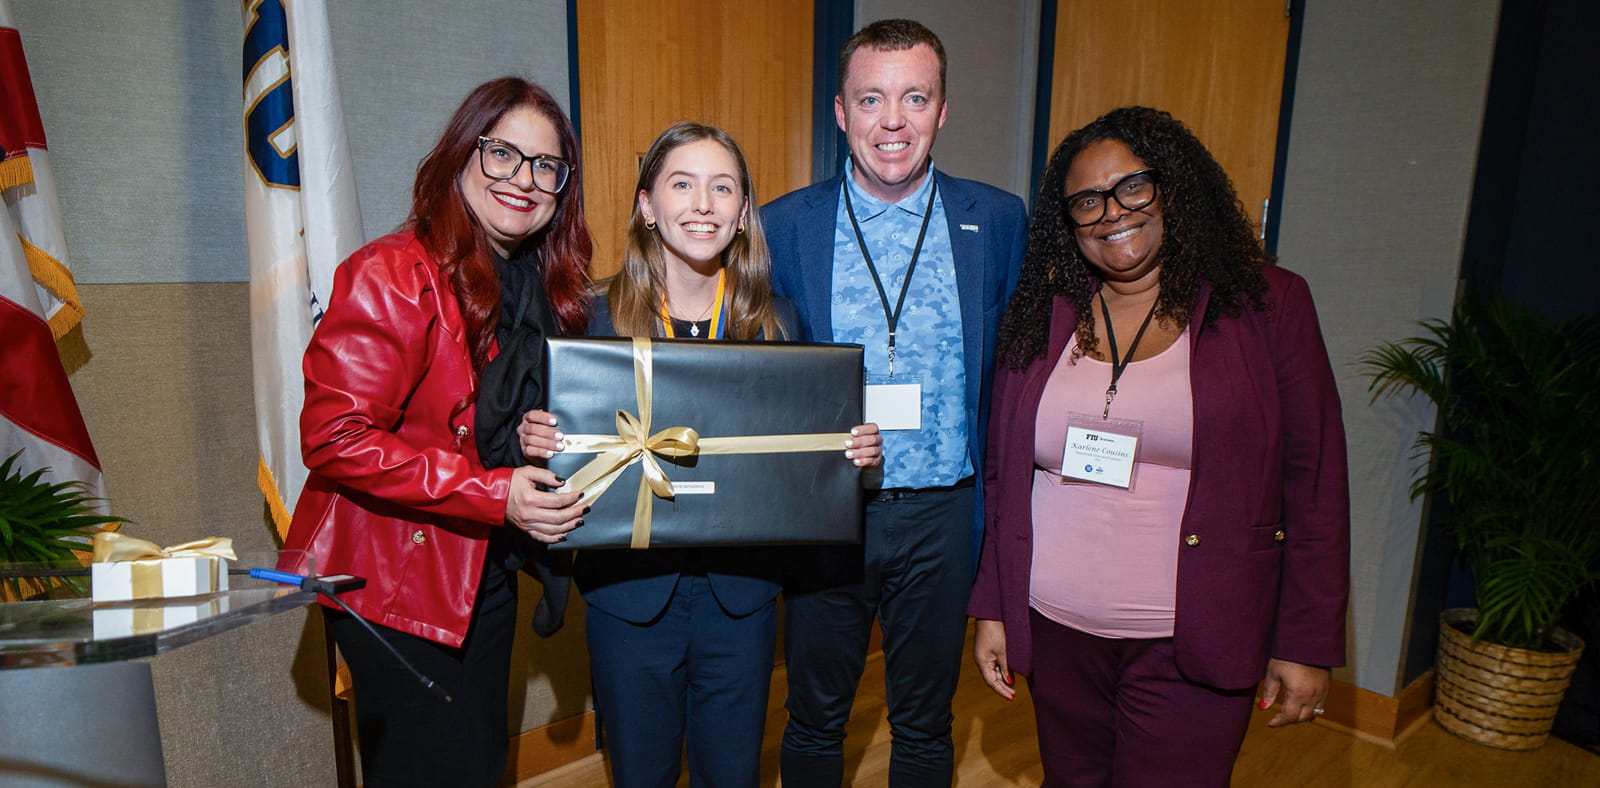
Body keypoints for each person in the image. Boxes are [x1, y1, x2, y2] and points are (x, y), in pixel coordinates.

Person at [968, 106, 1350, 787]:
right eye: (1087, 201)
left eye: (1132, 188)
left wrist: (1305, 641)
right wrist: (993, 604)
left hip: (1194, 639)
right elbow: (1003, 478)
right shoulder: (1043, 312)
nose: (1112, 213)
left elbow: (1314, 484)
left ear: (1172, 188)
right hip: (1057, 633)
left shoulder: (1265, 306)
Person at [517, 122, 883, 788]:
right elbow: (555, 454)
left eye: (723, 188)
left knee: (732, 774)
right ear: (646, 206)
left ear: (744, 214)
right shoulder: (588, 318)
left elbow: (797, 464)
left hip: (740, 602)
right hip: (629, 600)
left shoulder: (777, 323)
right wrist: (536, 440)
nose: (703, 204)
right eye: (681, 184)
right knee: (641, 775)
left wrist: (850, 454)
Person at [277, 77, 592, 788]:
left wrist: (536, 440)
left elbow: (487, 421)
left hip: (484, 569)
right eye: (503, 154)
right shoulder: (392, 273)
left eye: (546, 166)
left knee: (476, 764)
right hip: (400, 583)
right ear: (461, 156)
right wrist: (493, 494)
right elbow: (334, 435)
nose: (525, 180)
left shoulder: (538, 286)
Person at [760, 18, 1027, 786]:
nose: (893, 121)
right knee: (813, 718)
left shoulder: (998, 219)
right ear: (840, 112)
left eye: (915, 97)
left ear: (942, 109)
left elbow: (1014, 373)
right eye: (871, 99)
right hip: (831, 510)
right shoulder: (784, 225)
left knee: (923, 722)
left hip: (946, 512)